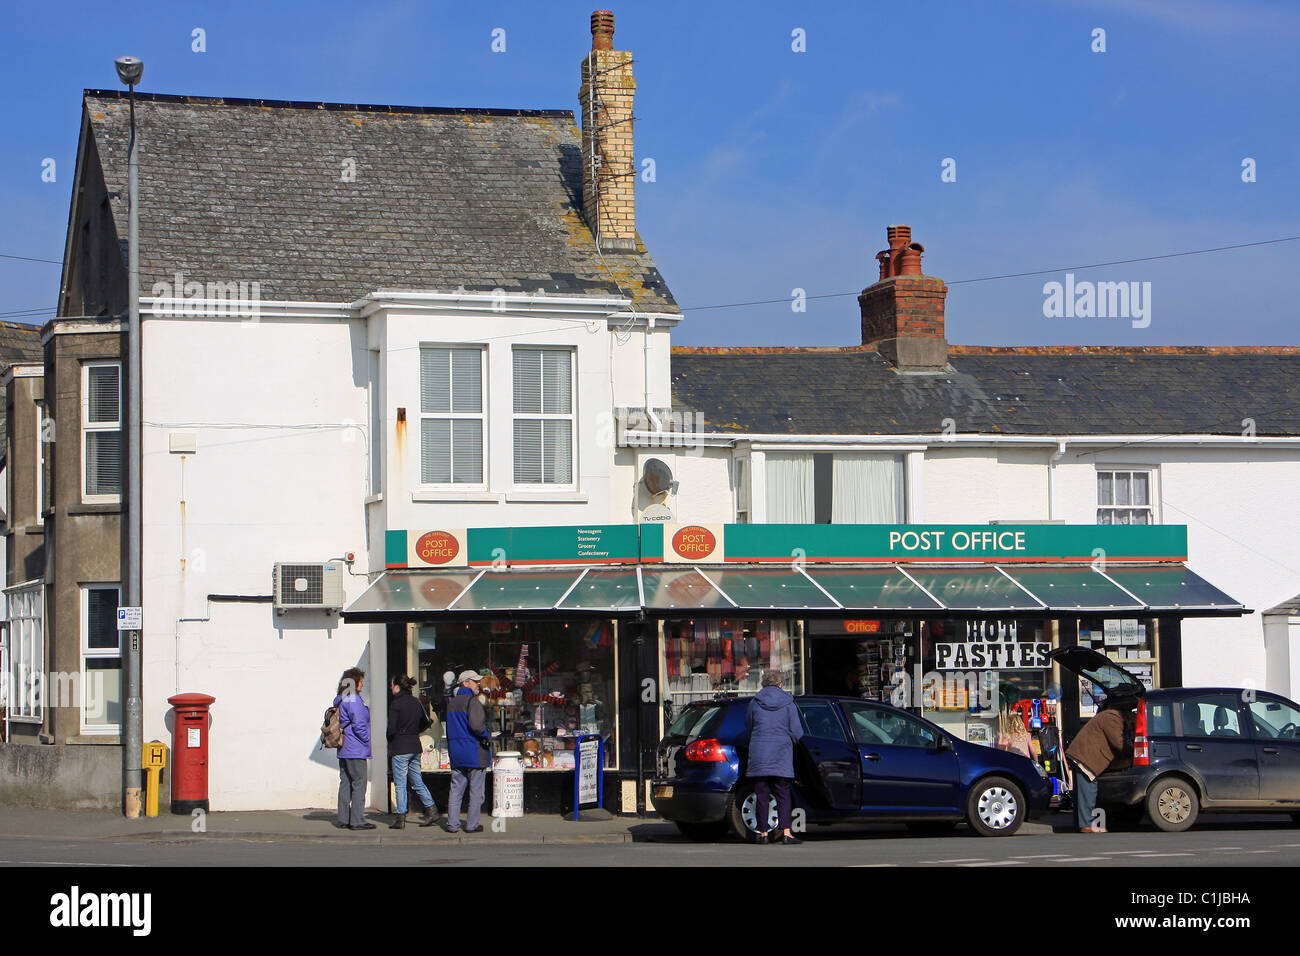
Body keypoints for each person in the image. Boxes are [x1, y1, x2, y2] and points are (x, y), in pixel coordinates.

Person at [745, 671, 804, 845]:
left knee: (761, 794)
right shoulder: (788, 703)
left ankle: (763, 833)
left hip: (759, 754)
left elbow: (749, 725)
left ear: (763, 684)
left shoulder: (754, 703)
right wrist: (790, 741)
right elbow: (797, 731)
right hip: (781, 754)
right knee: (783, 793)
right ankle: (786, 833)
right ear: (780, 684)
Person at [1066, 690, 1138, 833]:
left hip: (1081, 755)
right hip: (1085, 757)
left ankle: (1081, 823)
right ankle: (1087, 824)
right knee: (1088, 790)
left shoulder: (1109, 717)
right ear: (1128, 716)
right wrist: (1135, 751)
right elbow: (1118, 743)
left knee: (1082, 792)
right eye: (1133, 722)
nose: (1131, 726)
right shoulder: (1113, 719)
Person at [387, 675, 439, 829]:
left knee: (400, 784)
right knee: (417, 781)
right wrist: (414, 731)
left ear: (397, 686)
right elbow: (426, 722)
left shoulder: (396, 704)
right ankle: (431, 810)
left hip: (400, 747)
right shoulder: (416, 702)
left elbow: (390, 729)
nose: (390, 688)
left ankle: (400, 818)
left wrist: (392, 741)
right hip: (415, 746)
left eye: (391, 685)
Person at [443, 669, 491, 834]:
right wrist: (487, 734)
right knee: (476, 791)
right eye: (474, 681)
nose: (478, 684)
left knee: (456, 789)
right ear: (465, 683)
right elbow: (477, 726)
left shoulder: (451, 704)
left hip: (456, 752)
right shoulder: (473, 702)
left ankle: (452, 824)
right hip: (474, 752)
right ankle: (471, 825)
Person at [334, 667, 374, 830]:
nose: (362, 685)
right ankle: (357, 820)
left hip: (344, 747)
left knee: (345, 783)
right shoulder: (354, 700)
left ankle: (343, 819)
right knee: (359, 783)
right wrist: (366, 740)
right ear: (354, 682)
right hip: (355, 747)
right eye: (361, 682)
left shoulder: (341, 699)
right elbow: (359, 725)